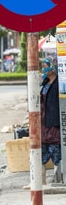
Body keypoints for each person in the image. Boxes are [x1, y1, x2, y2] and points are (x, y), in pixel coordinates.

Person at [40, 56, 62, 184]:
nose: (44, 68)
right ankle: (41, 181)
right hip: (43, 123)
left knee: (56, 152)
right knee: (42, 153)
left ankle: (57, 179)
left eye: (46, 65)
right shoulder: (44, 82)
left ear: (53, 67)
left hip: (53, 123)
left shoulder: (59, 84)